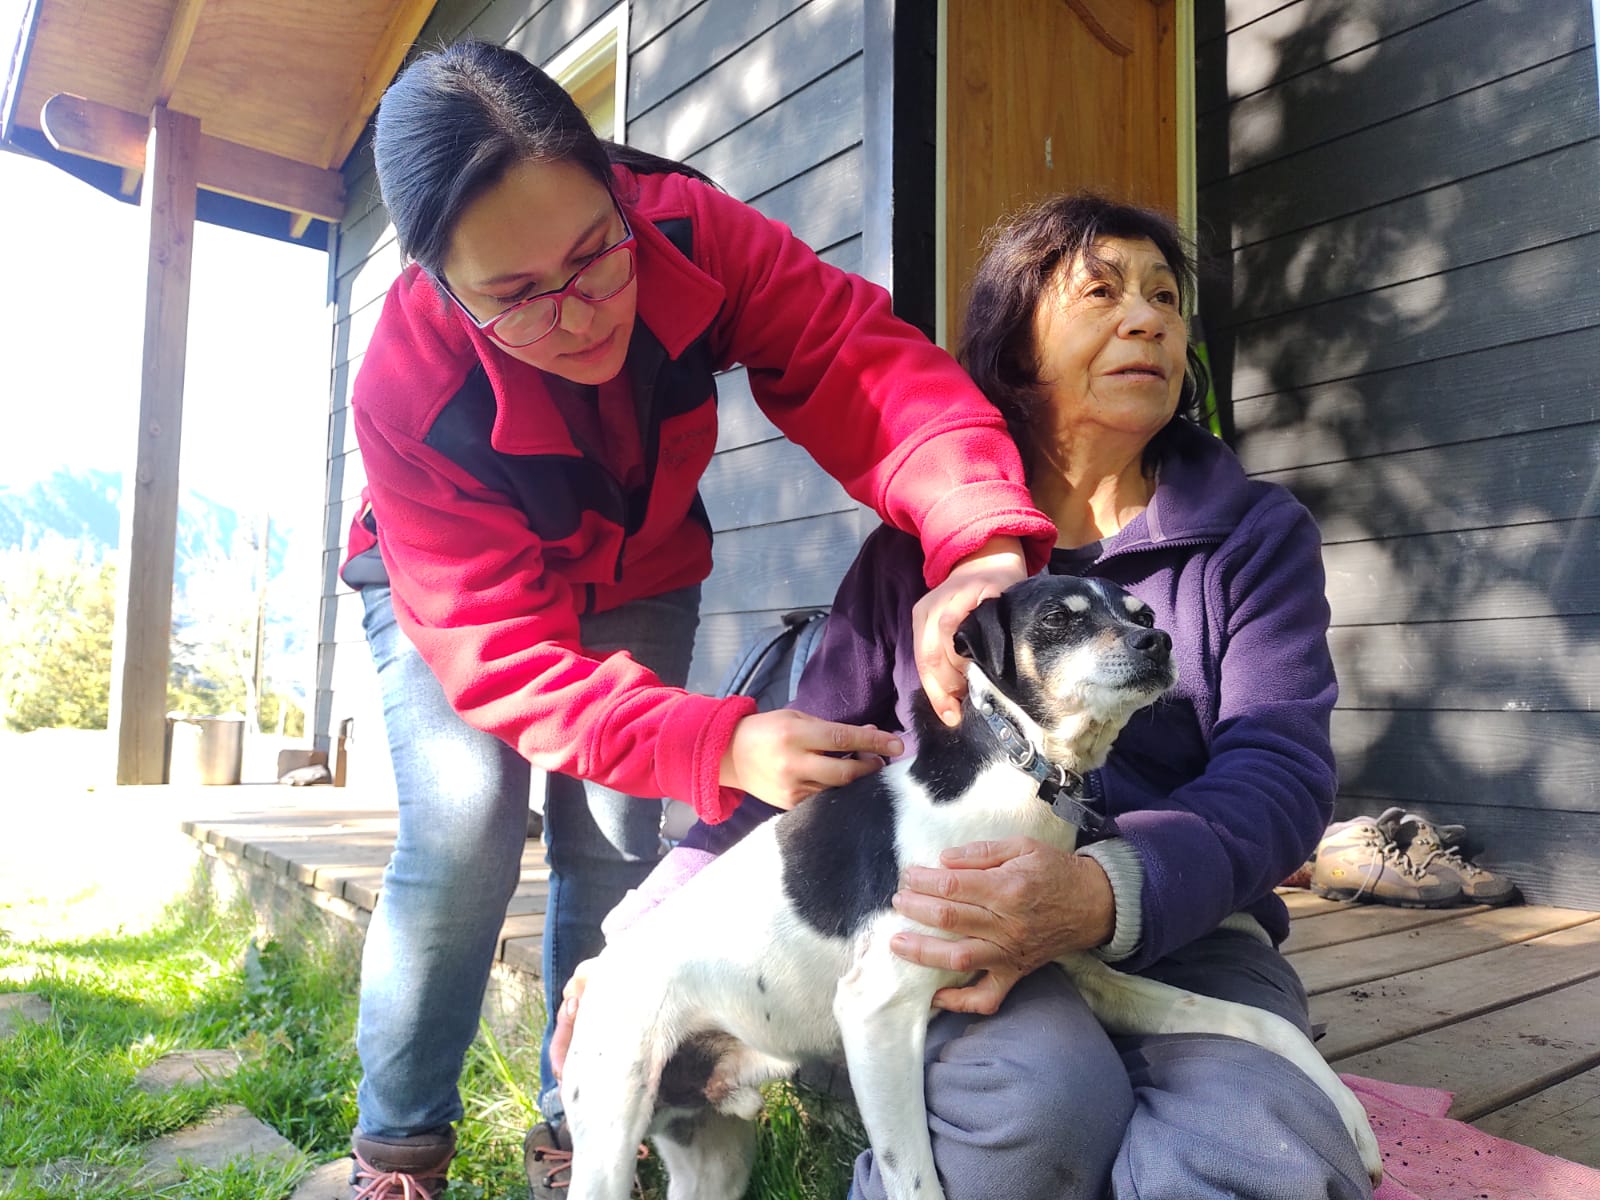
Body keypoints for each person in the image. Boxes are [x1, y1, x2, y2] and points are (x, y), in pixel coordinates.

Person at [336, 39, 1059, 1200]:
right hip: (453, 591)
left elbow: (853, 365)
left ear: (618, 197)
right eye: (516, 297)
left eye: (591, 259)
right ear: (436, 283)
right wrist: (715, 741)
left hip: (636, 558)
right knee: (467, 823)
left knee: (616, 836)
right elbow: (500, 652)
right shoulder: (402, 387)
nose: (577, 317)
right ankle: (398, 1151)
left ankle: (581, 1118)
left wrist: (976, 544)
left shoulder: (687, 228)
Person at [554, 192, 1372, 1199]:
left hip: (1191, 921)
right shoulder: (911, 559)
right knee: (1036, 1113)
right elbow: (809, 765)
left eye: (1166, 297)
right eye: (1102, 292)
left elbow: (1280, 770)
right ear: (1014, 342)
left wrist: (1109, 890)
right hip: (957, 956)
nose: (1149, 318)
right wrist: (646, 925)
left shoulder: (1249, 536)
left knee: (1262, 1150)